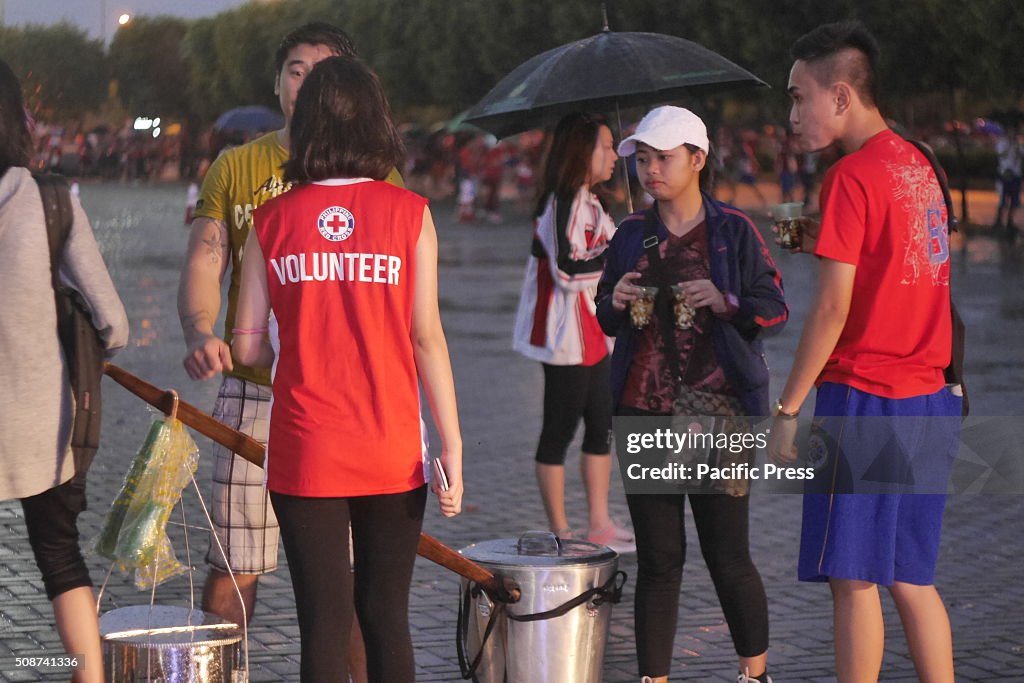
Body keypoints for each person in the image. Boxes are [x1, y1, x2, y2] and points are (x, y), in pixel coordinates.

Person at [177, 22, 399, 679]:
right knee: (233, 567)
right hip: (256, 396)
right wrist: (199, 330)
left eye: (324, 72)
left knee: (349, 591)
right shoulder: (237, 166)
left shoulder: (377, 174)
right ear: (278, 82)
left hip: (352, 407)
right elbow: (205, 256)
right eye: (296, 70)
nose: (308, 84)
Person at [231, 55, 463, 682]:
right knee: (387, 616)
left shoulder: (270, 221)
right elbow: (427, 338)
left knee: (324, 626)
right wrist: (454, 446)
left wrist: (294, 339)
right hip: (391, 447)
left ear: (306, 126)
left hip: (306, 448)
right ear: (376, 125)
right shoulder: (409, 214)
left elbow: (247, 346)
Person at [767, 22, 962, 682]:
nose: (792, 115)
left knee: (852, 578)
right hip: (929, 396)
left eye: (800, 98)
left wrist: (788, 405)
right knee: (911, 576)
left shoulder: (850, 177)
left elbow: (830, 310)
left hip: (864, 399)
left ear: (842, 95)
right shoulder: (919, 161)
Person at [596, 106, 786, 683]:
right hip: (643, 411)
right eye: (644, 159)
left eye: (664, 157)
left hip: (720, 416)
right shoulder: (631, 233)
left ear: (697, 159)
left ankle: (755, 674)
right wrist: (618, 298)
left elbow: (773, 308)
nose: (651, 170)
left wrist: (726, 302)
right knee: (658, 562)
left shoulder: (733, 230)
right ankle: (655, 678)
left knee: (728, 556)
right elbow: (605, 313)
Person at [0, 58, 129, 683]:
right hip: (43, 426)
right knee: (59, 558)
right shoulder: (52, 200)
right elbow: (115, 323)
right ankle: (86, 676)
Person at [512, 112, 634, 552]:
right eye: (604, 146)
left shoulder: (595, 203)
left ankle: (599, 524)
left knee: (601, 424)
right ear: (580, 152)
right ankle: (561, 529)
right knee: (559, 429)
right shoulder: (560, 203)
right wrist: (618, 260)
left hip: (598, 333)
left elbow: (609, 250)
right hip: (565, 336)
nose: (613, 155)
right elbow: (567, 268)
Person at [994, 127, 1022, 239]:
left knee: (1014, 199)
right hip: (1004, 173)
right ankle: (999, 220)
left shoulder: (1018, 144)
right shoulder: (1002, 142)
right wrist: (1009, 147)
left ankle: (1010, 221)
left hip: (1015, 174)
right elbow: (1001, 155)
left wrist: (1016, 147)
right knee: (1002, 199)